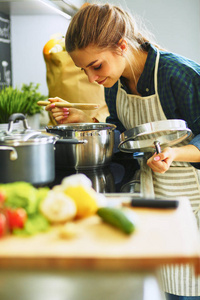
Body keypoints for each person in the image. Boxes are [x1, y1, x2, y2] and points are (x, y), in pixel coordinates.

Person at [45, 3, 200, 299]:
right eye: (83, 70)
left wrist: (174, 154)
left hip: (193, 198)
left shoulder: (178, 74)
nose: (92, 78)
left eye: (96, 66)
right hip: (154, 194)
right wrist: (85, 122)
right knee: (159, 285)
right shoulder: (114, 83)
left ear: (121, 46)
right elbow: (123, 134)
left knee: (188, 289)